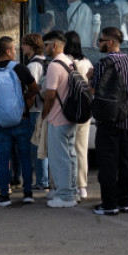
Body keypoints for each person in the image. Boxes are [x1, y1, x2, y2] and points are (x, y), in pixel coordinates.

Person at [0, 36, 39, 207]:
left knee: (4, 159)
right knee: (25, 157)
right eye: (14, 49)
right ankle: (28, 193)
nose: (15, 52)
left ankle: (4, 196)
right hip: (22, 119)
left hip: (1, 124)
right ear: (7, 51)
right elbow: (35, 88)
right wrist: (23, 98)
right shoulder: (20, 69)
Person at [91, 26, 128, 215]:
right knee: (126, 162)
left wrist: (88, 78)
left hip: (109, 120)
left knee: (107, 163)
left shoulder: (104, 64)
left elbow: (95, 89)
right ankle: (125, 201)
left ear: (110, 42)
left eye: (101, 40)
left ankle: (109, 204)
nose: (99, 44)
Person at [41, 30, 79, 208]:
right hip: (70, 116)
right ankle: (72, 190)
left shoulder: (54, 65)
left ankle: (65, 196)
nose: (44, 48)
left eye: (46, 45)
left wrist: (44, 115)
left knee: (60, 158)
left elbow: (50, 95)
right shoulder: (70, 63)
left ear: (54, 45)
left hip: (57, 117)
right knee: (70, 155)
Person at [64, 31, 94, 200]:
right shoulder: (87, 61)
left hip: (69, 109)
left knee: (66, 149)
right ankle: (82, 186)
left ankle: (68, 184)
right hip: (85, 108)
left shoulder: (65, 61)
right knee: (81, 149)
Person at [21, 33, 49, 192]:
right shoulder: (45, 62)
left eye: (24, 44)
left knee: (37, 145)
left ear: (31, 46)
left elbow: (32, 91)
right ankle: (43, 179)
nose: (22, 47)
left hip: (35, 110)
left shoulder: (32, 66)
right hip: (44, 108)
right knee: (43, 143)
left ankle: (41, 180)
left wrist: (25, 108)